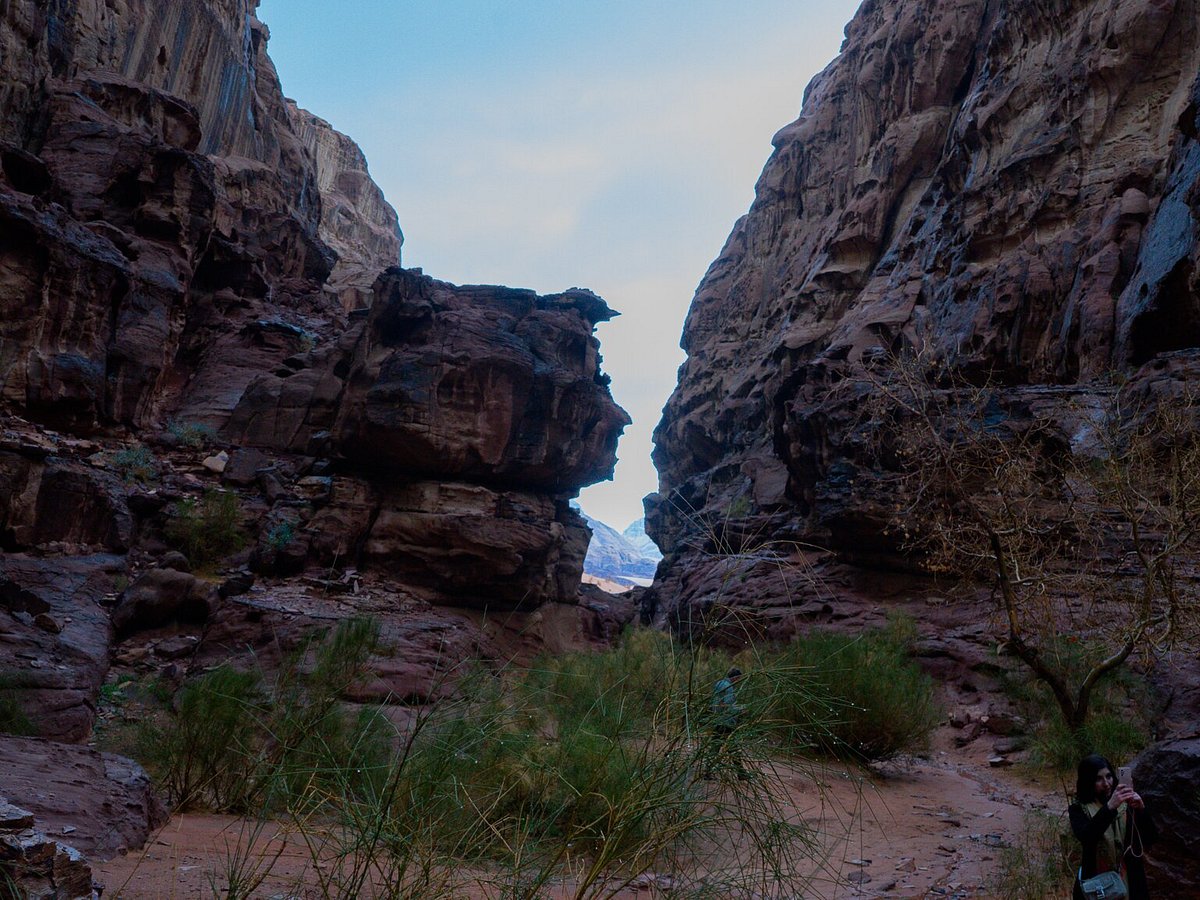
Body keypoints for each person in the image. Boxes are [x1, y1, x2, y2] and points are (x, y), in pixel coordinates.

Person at [1069, 754, 1158, 900]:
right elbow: (1087, 837)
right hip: (1097, 883)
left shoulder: (1127, 804)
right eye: (1099, 779)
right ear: (1088, 781)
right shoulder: (1079, 809)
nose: (1106, 784)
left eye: (1109, 776)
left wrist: (1141, 810)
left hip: (1131, 880)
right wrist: (1110, 807)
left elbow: (1151, 837)